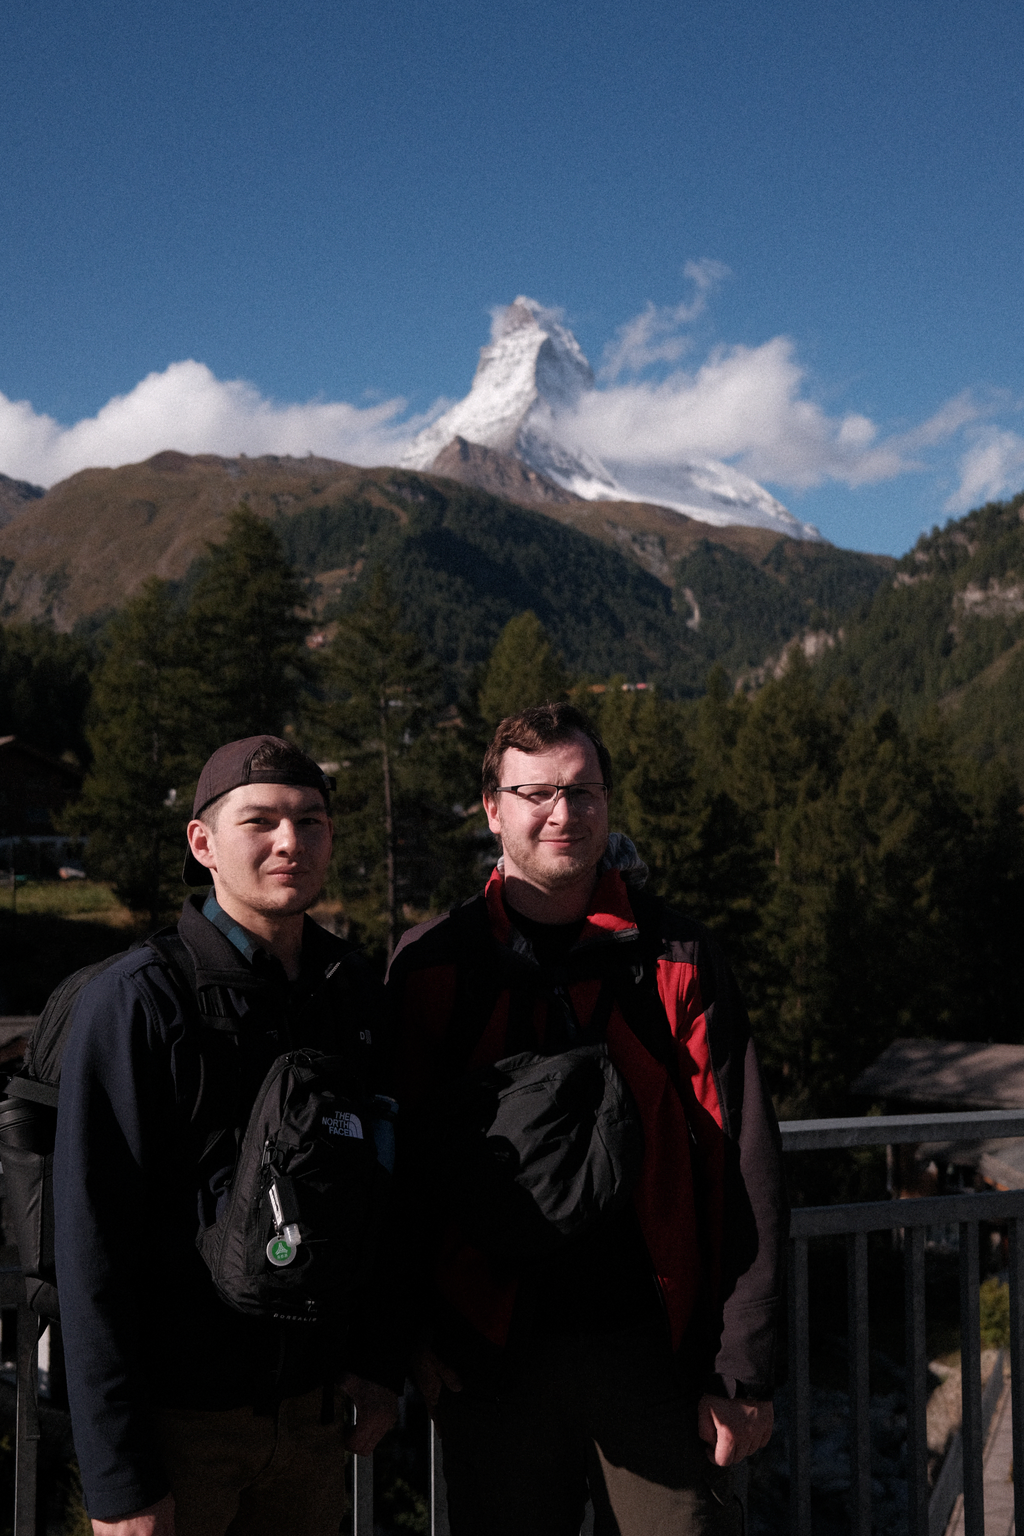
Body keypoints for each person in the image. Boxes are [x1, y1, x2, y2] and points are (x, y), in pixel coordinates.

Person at [386, 703, 787, 1536]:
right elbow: (396, 1174)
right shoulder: (433, 967)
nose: (563, 813)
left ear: (608, 803)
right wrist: (411, 1337)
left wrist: (742, 1369)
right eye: (536, 792)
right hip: (486, 1362)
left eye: (583, 790)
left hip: (654, 1356)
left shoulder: (678, 960)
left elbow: (744, 1162)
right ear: (491, 809)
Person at [54, 735, 401, 1536]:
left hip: (317, 1429)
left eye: (311, 821)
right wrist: (118, 1481)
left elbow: (384, 1192)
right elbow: (90, 1245)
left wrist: (377, 1364)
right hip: (181, 1433)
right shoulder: (140, 1001)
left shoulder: (351, 993)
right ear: (202, 843)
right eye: (262, 821)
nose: (290, 842)